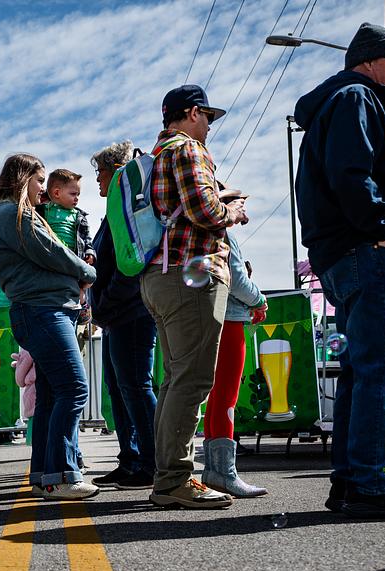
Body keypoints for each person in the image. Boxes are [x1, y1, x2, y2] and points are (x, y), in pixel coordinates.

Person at [294, 24, 385, 518]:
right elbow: (351, 174)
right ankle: (371, 483)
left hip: (345, 252)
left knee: (360, 369)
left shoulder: (339, 100)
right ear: (371, 58)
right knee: (378, 370)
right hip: (367, 251)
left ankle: (351, 482)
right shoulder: (355, 96)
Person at [139, 84, 245, 510]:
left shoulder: (154, 156)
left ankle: (168, 475)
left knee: (174, 380)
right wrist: (231, 211)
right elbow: (204, 211)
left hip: (159, 276)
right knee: (194, 379)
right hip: (192, 274)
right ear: (191, 113)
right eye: (207, 116)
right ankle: (174, 480)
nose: (209, 125)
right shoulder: (189, 150)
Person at [0, 153, 99, 501]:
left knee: (49, 394)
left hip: (42, 310)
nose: (43, 189)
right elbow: (52, 251)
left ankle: (45, 474)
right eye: (39, 180)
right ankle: (62, 474)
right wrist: (86, 271)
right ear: (22, 179)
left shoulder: (9, 214)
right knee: (74, 389)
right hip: (45, 311)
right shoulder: (12, 214)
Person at [88, 141, 157, 491]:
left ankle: (153, 461)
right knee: (120, 390)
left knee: (136, 386)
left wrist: (107, 301)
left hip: (130, 312)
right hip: (115, 316)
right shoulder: (113, 209)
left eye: (99, 172)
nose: (96, 181)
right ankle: (130, 459)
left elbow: (130, 263)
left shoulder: (129, 206)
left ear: (115, 170)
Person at [201, 229, 268, 497]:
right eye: (240, 202)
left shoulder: (205, 232)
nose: (245, 211)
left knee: (216, 396)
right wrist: (260, 299)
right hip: (230, 318)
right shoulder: (226, 235)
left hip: (213, 314)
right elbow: (238, 281)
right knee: (227, 396)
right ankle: (224, 473)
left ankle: (214, 471)